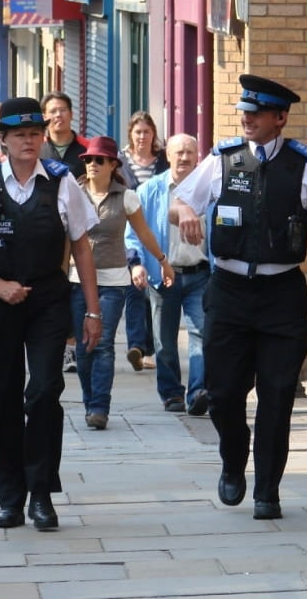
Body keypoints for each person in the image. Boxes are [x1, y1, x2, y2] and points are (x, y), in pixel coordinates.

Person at [169, 74, 307, 521]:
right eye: (244, 112)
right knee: (224, 393)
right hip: (228, 292)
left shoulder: (305, 167)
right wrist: (187, 209)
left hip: (281, 294)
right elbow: (176, 202)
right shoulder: (222, 161)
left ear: (280, 118)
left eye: (256, 113)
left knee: (278, 394)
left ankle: (268, 489)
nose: (246, 119)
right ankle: (234, 458)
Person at [0, 97, 100, 532]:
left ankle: (42, 494)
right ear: (3, 140)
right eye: (20, 135)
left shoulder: (62, 183)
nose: (29, 141)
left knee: (45, 391)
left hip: (48, 298)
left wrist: (92, 310)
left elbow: (83, 246)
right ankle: (10, 497)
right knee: (2, 397)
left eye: (35, 133)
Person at [70, 136, 174, 430]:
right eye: (88, 160)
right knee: (83, 346)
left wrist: (163, 260)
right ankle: (90, 400)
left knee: (102, 343)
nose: (92, 165)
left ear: (113, 164)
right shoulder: (74, 193)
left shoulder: (127, 197)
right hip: (77, 279)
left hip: (114, 280)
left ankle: (100, 407)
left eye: (99, 160)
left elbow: (144, 233)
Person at [125, 134, 209, 416]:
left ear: (198, 156)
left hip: (200, 274)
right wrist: (137, 264)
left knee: (202, 332)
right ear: (168, 155)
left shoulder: (209, 189)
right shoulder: (149, 190)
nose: (184, 157)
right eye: (179, 152)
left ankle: (198, 392)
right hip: (164, 275)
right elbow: (133, 234)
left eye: (190, 152)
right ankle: (172, 393)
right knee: (164, 341)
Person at [40, 91, 90, 373]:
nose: (58, 116)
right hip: (47, 231)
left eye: (63, 110)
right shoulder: (38, 148)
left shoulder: (86, 149)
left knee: (75, 289)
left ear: (72, 113)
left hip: (80, 229)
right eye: (52, 111)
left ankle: (71, 347)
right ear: (45, 117)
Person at [119, 111, 169, 371]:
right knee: (134, 287)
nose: (142, 137)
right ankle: (137, 346)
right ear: (131, 134)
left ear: (153, 135)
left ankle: (151, 348)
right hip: (128, 231)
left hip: (157, 232)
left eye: (146, 132)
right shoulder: (120, 161)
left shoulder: (163, 161)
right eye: (137, 132)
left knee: (155, 288)